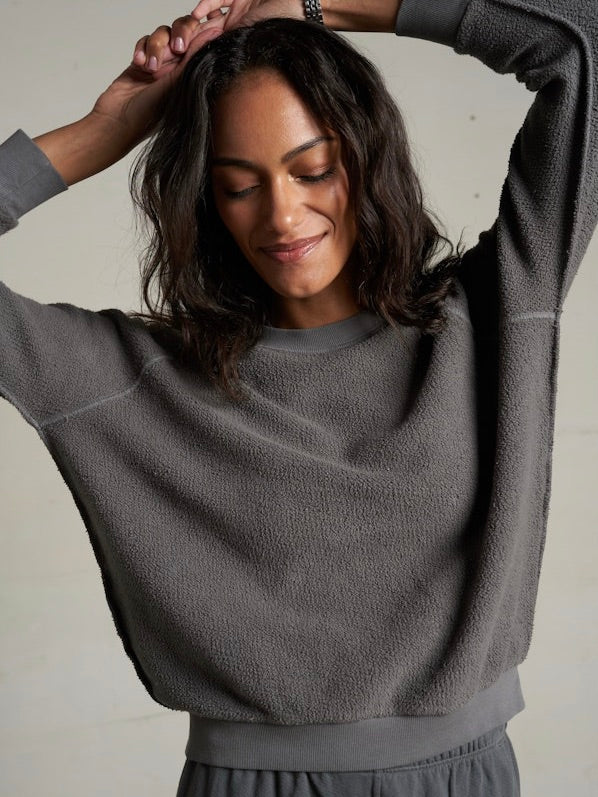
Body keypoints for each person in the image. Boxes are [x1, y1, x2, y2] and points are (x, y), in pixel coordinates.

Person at [1, 0, 597, 794]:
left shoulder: (490, 315)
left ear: (366, 158)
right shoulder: (129, 378)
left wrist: (320, 4)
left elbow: (583, 41)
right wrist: (105, 129)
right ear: (207, 200)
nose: (282, 216)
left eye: (313, 170)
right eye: (238, 186)